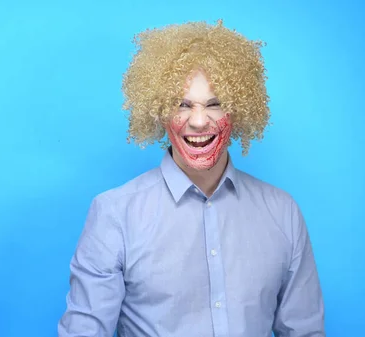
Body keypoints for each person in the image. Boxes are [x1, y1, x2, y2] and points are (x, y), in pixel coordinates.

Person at [58, 20, 325, 337]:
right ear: (158, 111)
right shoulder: (114, 214)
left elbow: (305, 331)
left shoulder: (282, 212)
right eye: (182, 104)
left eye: (215, 104)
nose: (198, 121)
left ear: (238, 110)